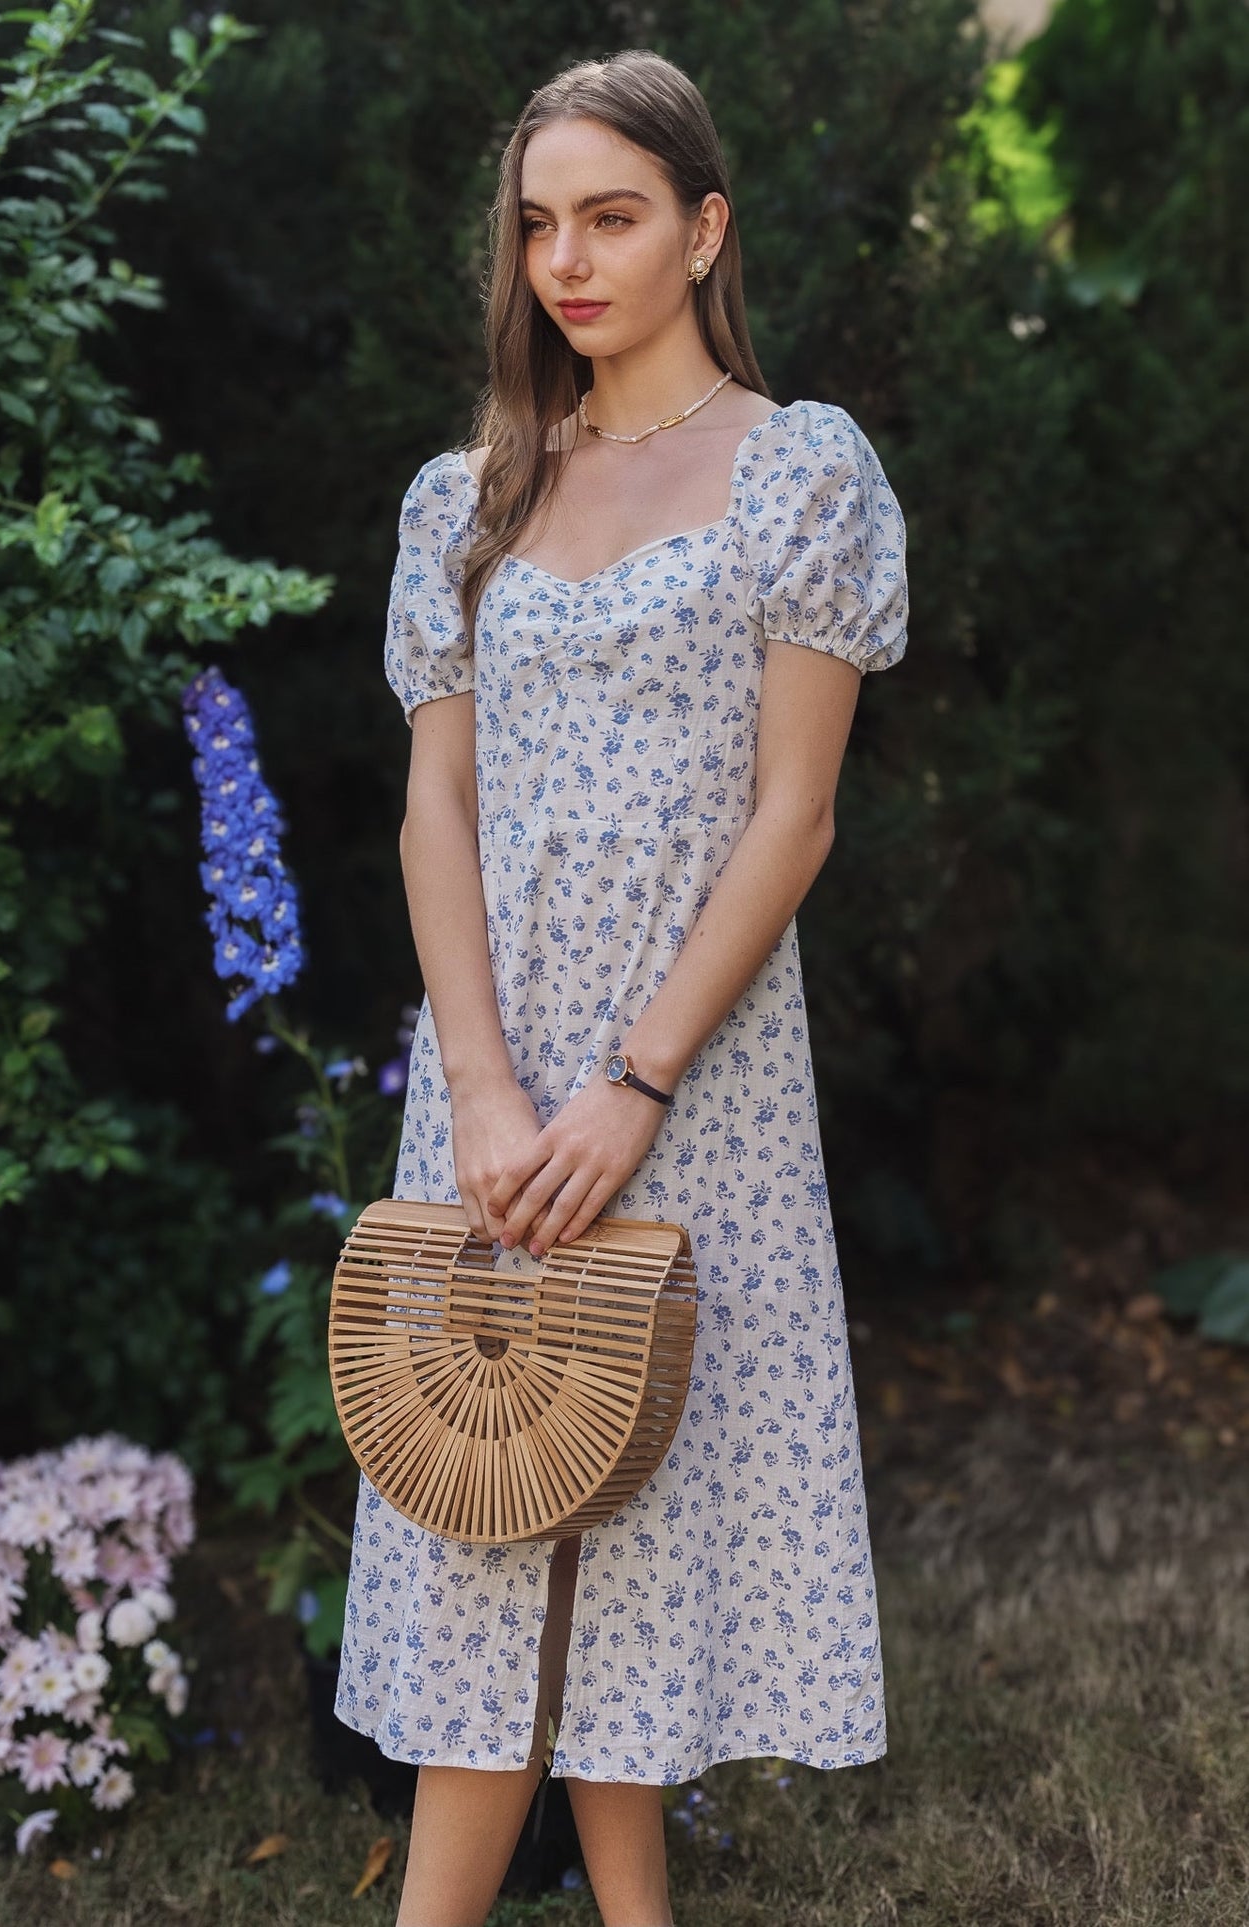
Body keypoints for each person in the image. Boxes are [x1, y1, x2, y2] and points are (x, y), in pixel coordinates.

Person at [334, 44, 908, 1927]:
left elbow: (794, 816)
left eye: (611, 216)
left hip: (695, 1083)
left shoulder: (794, 470)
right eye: (536, 226)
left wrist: (634, 1082)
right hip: (490, 1081)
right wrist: (489, 1091)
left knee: (637, 1521)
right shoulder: (469, 495)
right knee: (496, 1508)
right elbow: (434, 809)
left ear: (702, 227)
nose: (565, 260)